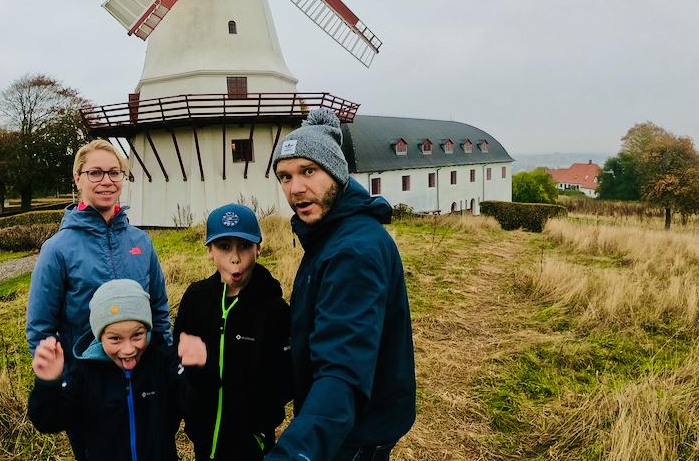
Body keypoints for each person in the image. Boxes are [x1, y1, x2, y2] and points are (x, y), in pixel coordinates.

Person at [265, 108, 416, 461]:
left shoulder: (353, 250)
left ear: (336, 171)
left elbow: (341, 372)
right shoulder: (328, 234)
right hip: (352, 423)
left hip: (352, 435)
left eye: (308, 171)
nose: (296, 188)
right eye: (284, 177)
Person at [26, 140, 174, 455]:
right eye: (95, 173)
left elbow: (159, 309)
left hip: (144, 379)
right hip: (89, 387)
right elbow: (40, 328)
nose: (106, 181)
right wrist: (67, 383)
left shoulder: (141, 242)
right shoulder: (58, 249)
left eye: (113, 172)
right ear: (78, 178)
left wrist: (165, 368)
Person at [29, 279, 208, 460]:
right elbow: (48, 421)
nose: (128, 349)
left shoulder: (162, 361)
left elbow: (195, 406)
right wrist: (48, 384)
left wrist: (195, 370)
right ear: (100, 336)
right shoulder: (82, 372)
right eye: (115, 339)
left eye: (137, 335)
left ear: (147, 329)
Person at [175, 203, 292, 460]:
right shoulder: (196, 299)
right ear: (210, 251)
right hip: (204, 434)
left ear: (259, 248)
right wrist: (191, 391)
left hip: (250, 441)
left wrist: (259, 423)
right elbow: (179, 358)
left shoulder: (274, 310)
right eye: (224, 247)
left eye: (244, 246)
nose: (235, 258)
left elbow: (285, 379)